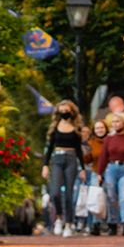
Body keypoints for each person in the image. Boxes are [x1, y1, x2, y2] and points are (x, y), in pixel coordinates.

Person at [42, 100, 86, 238]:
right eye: (61, 111)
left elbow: (79, 150)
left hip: (71, 159)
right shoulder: (54, 127)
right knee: (54, 192)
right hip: (57, 159)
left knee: (69, 194)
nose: (64, 113)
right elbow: (49, 148)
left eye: (66, 111)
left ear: (72, 112)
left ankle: (68, 223)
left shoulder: (76, 128)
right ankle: (59, 218)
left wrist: (82, 168)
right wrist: (45, 165)